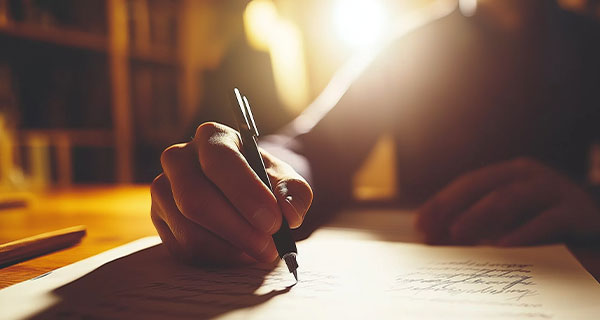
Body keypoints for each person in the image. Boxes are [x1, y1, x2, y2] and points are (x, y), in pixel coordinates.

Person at [150, 0, 600, 265]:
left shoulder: (590, 43)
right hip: (423, 274)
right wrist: (263, 168)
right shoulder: (411, 48)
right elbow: (313, 144)